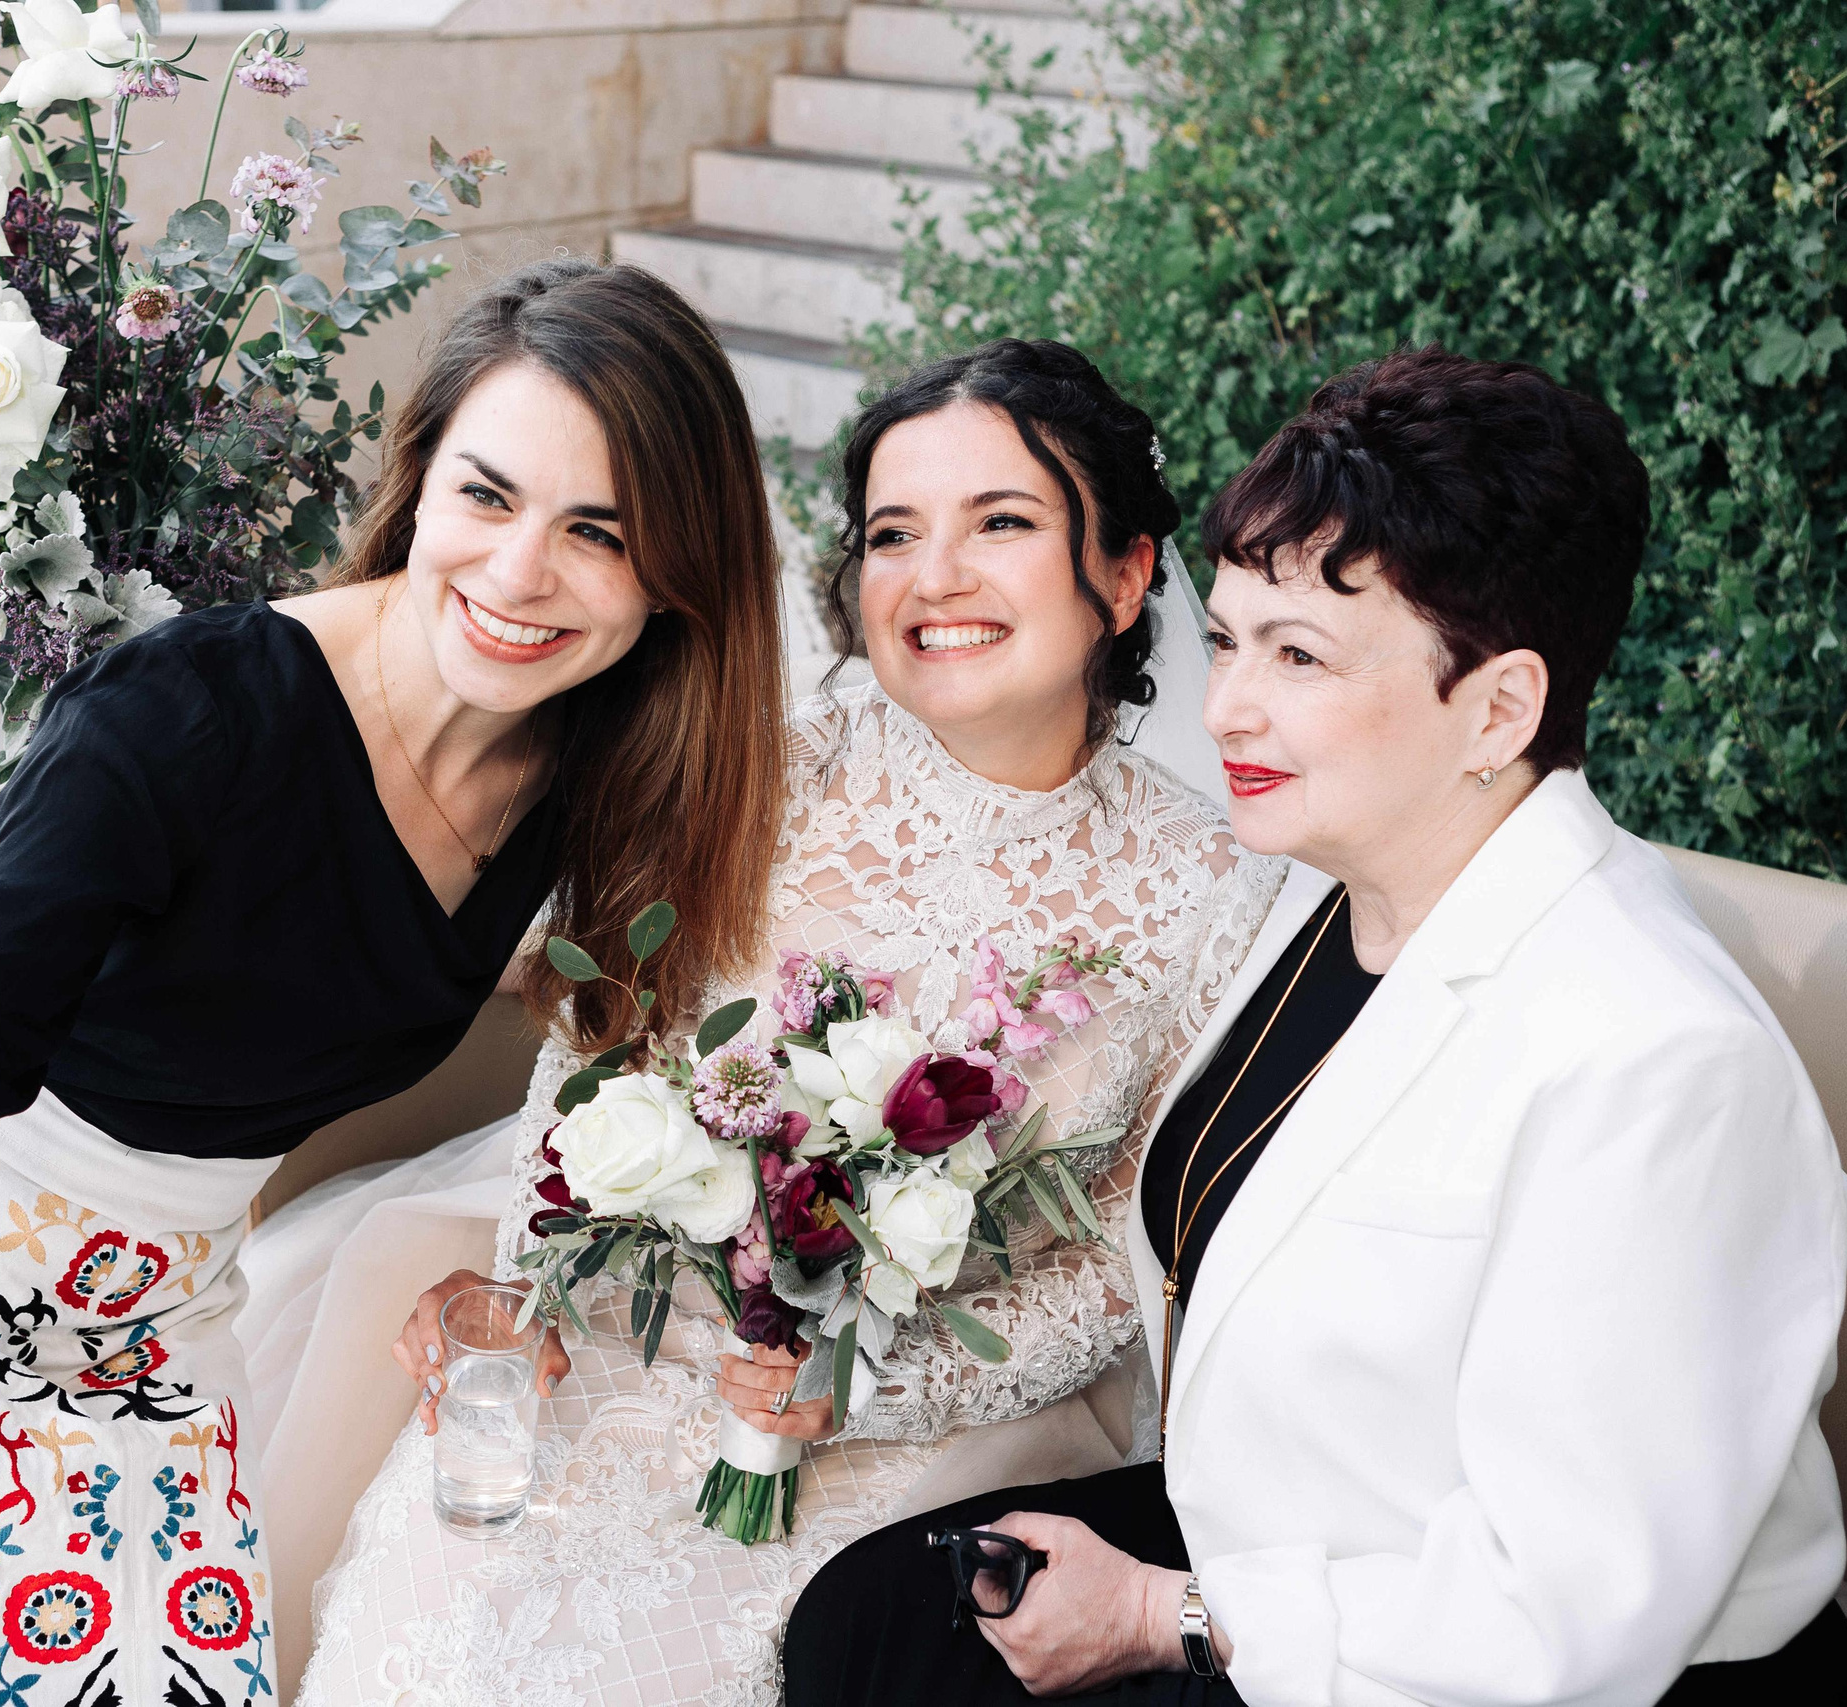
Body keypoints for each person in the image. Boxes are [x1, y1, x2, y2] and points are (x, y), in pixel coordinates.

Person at [0, 258, 790, 1705]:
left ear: (678, 574)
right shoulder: (187, 716)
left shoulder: (589, 771)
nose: (519, 572)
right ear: (419, 486)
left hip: (144, 1343)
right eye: (486, 496)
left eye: (597, 532)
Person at [782, 347, 1847, 1707]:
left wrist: (1165, 1610)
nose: (1226, 704)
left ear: (1500, 708)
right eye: (1231, 640)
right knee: (860, 1626)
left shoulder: (1660, 1063)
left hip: (1506, 1663)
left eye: (1299, 657)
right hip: (1285, 1535)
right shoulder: (1323, 889)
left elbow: (1563, 1617)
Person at [231, 338, 1286, 1702]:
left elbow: (1131, 1265)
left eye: (1002, 524)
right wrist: (530, 1274)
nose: (935, 578)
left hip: (938, 1415)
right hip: (625, 1332)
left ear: (1128, 573)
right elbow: (601, 1050)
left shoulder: (1216, 893)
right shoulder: (762, 774)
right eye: (893, 534)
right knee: (442, 1621)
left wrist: (863, 1390)